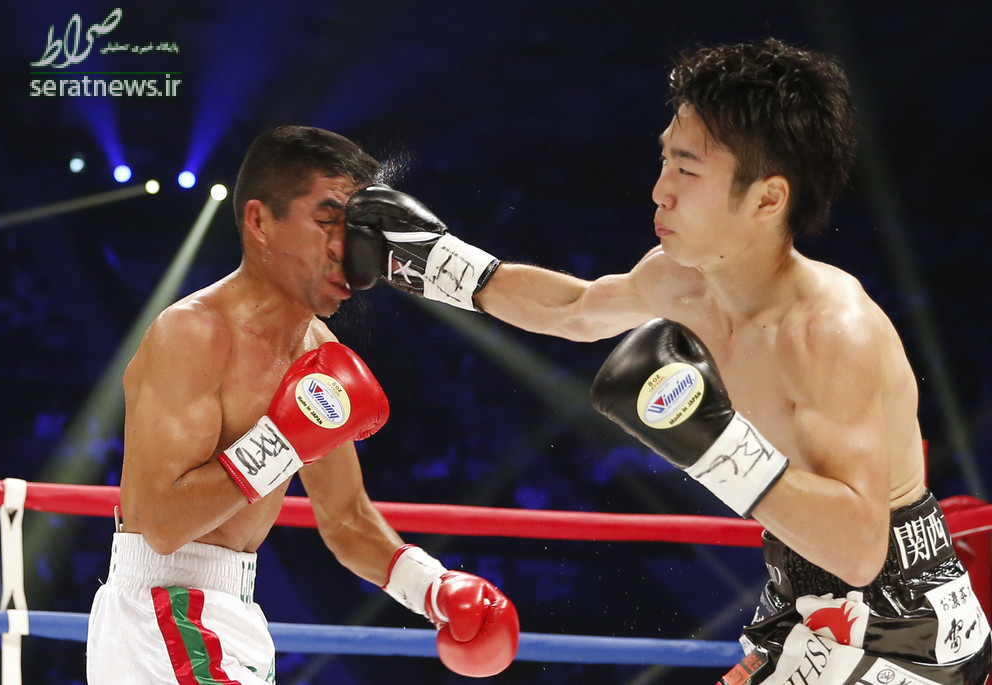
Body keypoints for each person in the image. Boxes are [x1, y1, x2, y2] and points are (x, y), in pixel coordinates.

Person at [343, 39, 992, 684]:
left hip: (902, 622)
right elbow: (574, 309)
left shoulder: (828, 331)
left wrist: (710, 443)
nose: (660, 191)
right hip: (802, 592)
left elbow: (858, 548)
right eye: (665, 160)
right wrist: (436, 260)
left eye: (688, 170)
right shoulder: (680, 281)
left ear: (767, 199)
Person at [85, 125, 519, 684]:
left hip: (226, 611)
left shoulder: (320, 354)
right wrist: (282, 440)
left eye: (358, 228)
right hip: (165, 611)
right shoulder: (194, 333)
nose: (348, 248)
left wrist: (432, 588)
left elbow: (346, 518)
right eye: (326, 221)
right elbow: (163, 526)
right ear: (260, 221)